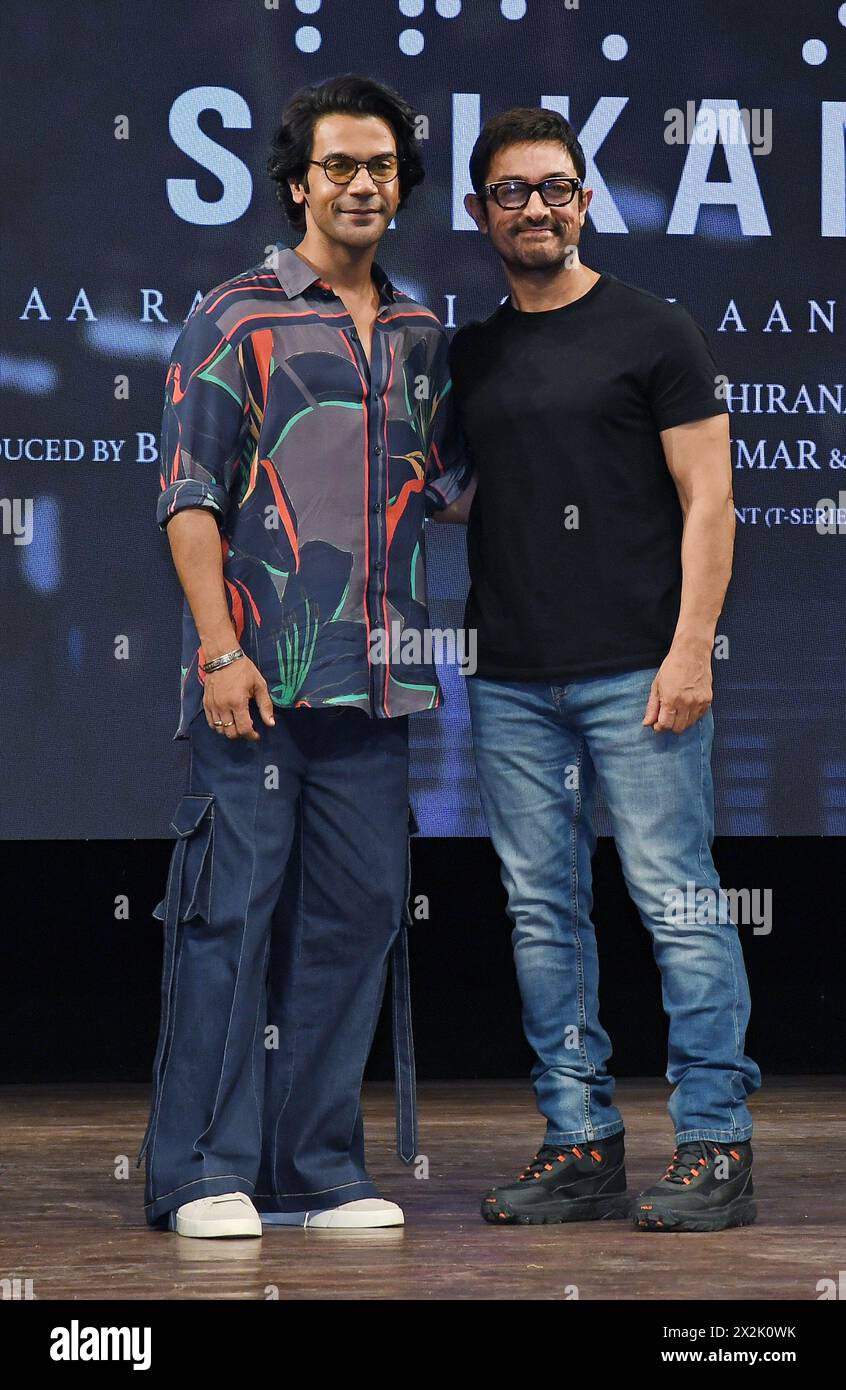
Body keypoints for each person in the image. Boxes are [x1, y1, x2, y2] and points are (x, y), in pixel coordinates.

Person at [136, 74, 472, 1237]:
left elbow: (458, 489)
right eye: (341, 166)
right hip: (256, 683)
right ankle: (199, 1172)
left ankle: (315, 1168)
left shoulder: (426, 334)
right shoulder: (234, 315)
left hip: (375, 688)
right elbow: (188, 499)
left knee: (357, 913)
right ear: (296, 184)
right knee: (230, 916)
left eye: (381, 167)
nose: (364, 184)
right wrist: (220, 653)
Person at [446, 107, 761, 1232]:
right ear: (482, 212)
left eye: (557, 187)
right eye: (513, 191)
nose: (537, 207)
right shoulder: (472, 351)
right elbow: (464, 489)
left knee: (679, 905)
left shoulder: (657, 330)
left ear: (586, 200)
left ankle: (717, 1144)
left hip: (643, 671)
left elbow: (710, 503)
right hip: (511, 678)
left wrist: (689, 650)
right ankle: (580, 1139)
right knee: (542, 913)